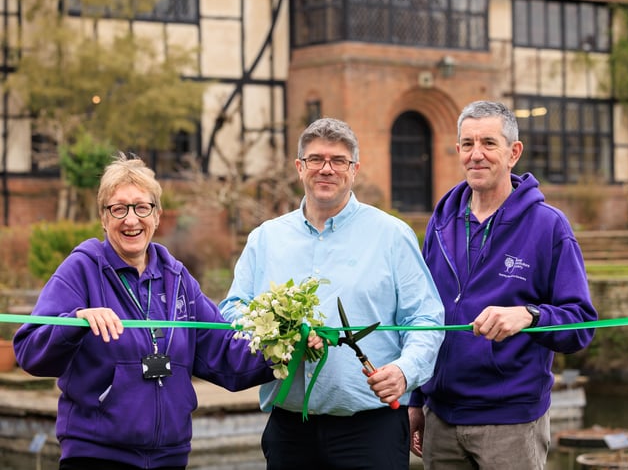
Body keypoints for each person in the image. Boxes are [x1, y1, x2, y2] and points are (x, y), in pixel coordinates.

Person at [13, 152, 274, 470]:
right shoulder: (81, 268)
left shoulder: (178, 279)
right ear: (104, 217)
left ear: (157, 214)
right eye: (118, 208)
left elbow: (226, 354)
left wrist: (283, 345)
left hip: (170, 457)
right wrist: (75, 321)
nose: (131, 219)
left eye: (141, 207)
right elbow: (29, 349)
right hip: (97, 456)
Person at [219, 117, 445, 470]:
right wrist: (276, 331)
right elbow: (233, 308)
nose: (326, 169)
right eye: (316, 159)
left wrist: (405, 370)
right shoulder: (265, 239)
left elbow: (426, 318)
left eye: (338, 161)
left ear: (354, 170)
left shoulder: (392, 236)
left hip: (371, 430)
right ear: (299, 167)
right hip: (289, 430)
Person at [408, 100, 598, 470]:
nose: (476, 154)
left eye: (488, 143)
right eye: (467, 144)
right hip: (441, 418)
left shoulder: (549, 226)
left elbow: (582, 325)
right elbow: (423, 315)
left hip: (511, 421)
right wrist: (417, 398)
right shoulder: (440, 223)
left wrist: (530, 315)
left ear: (514, 153)